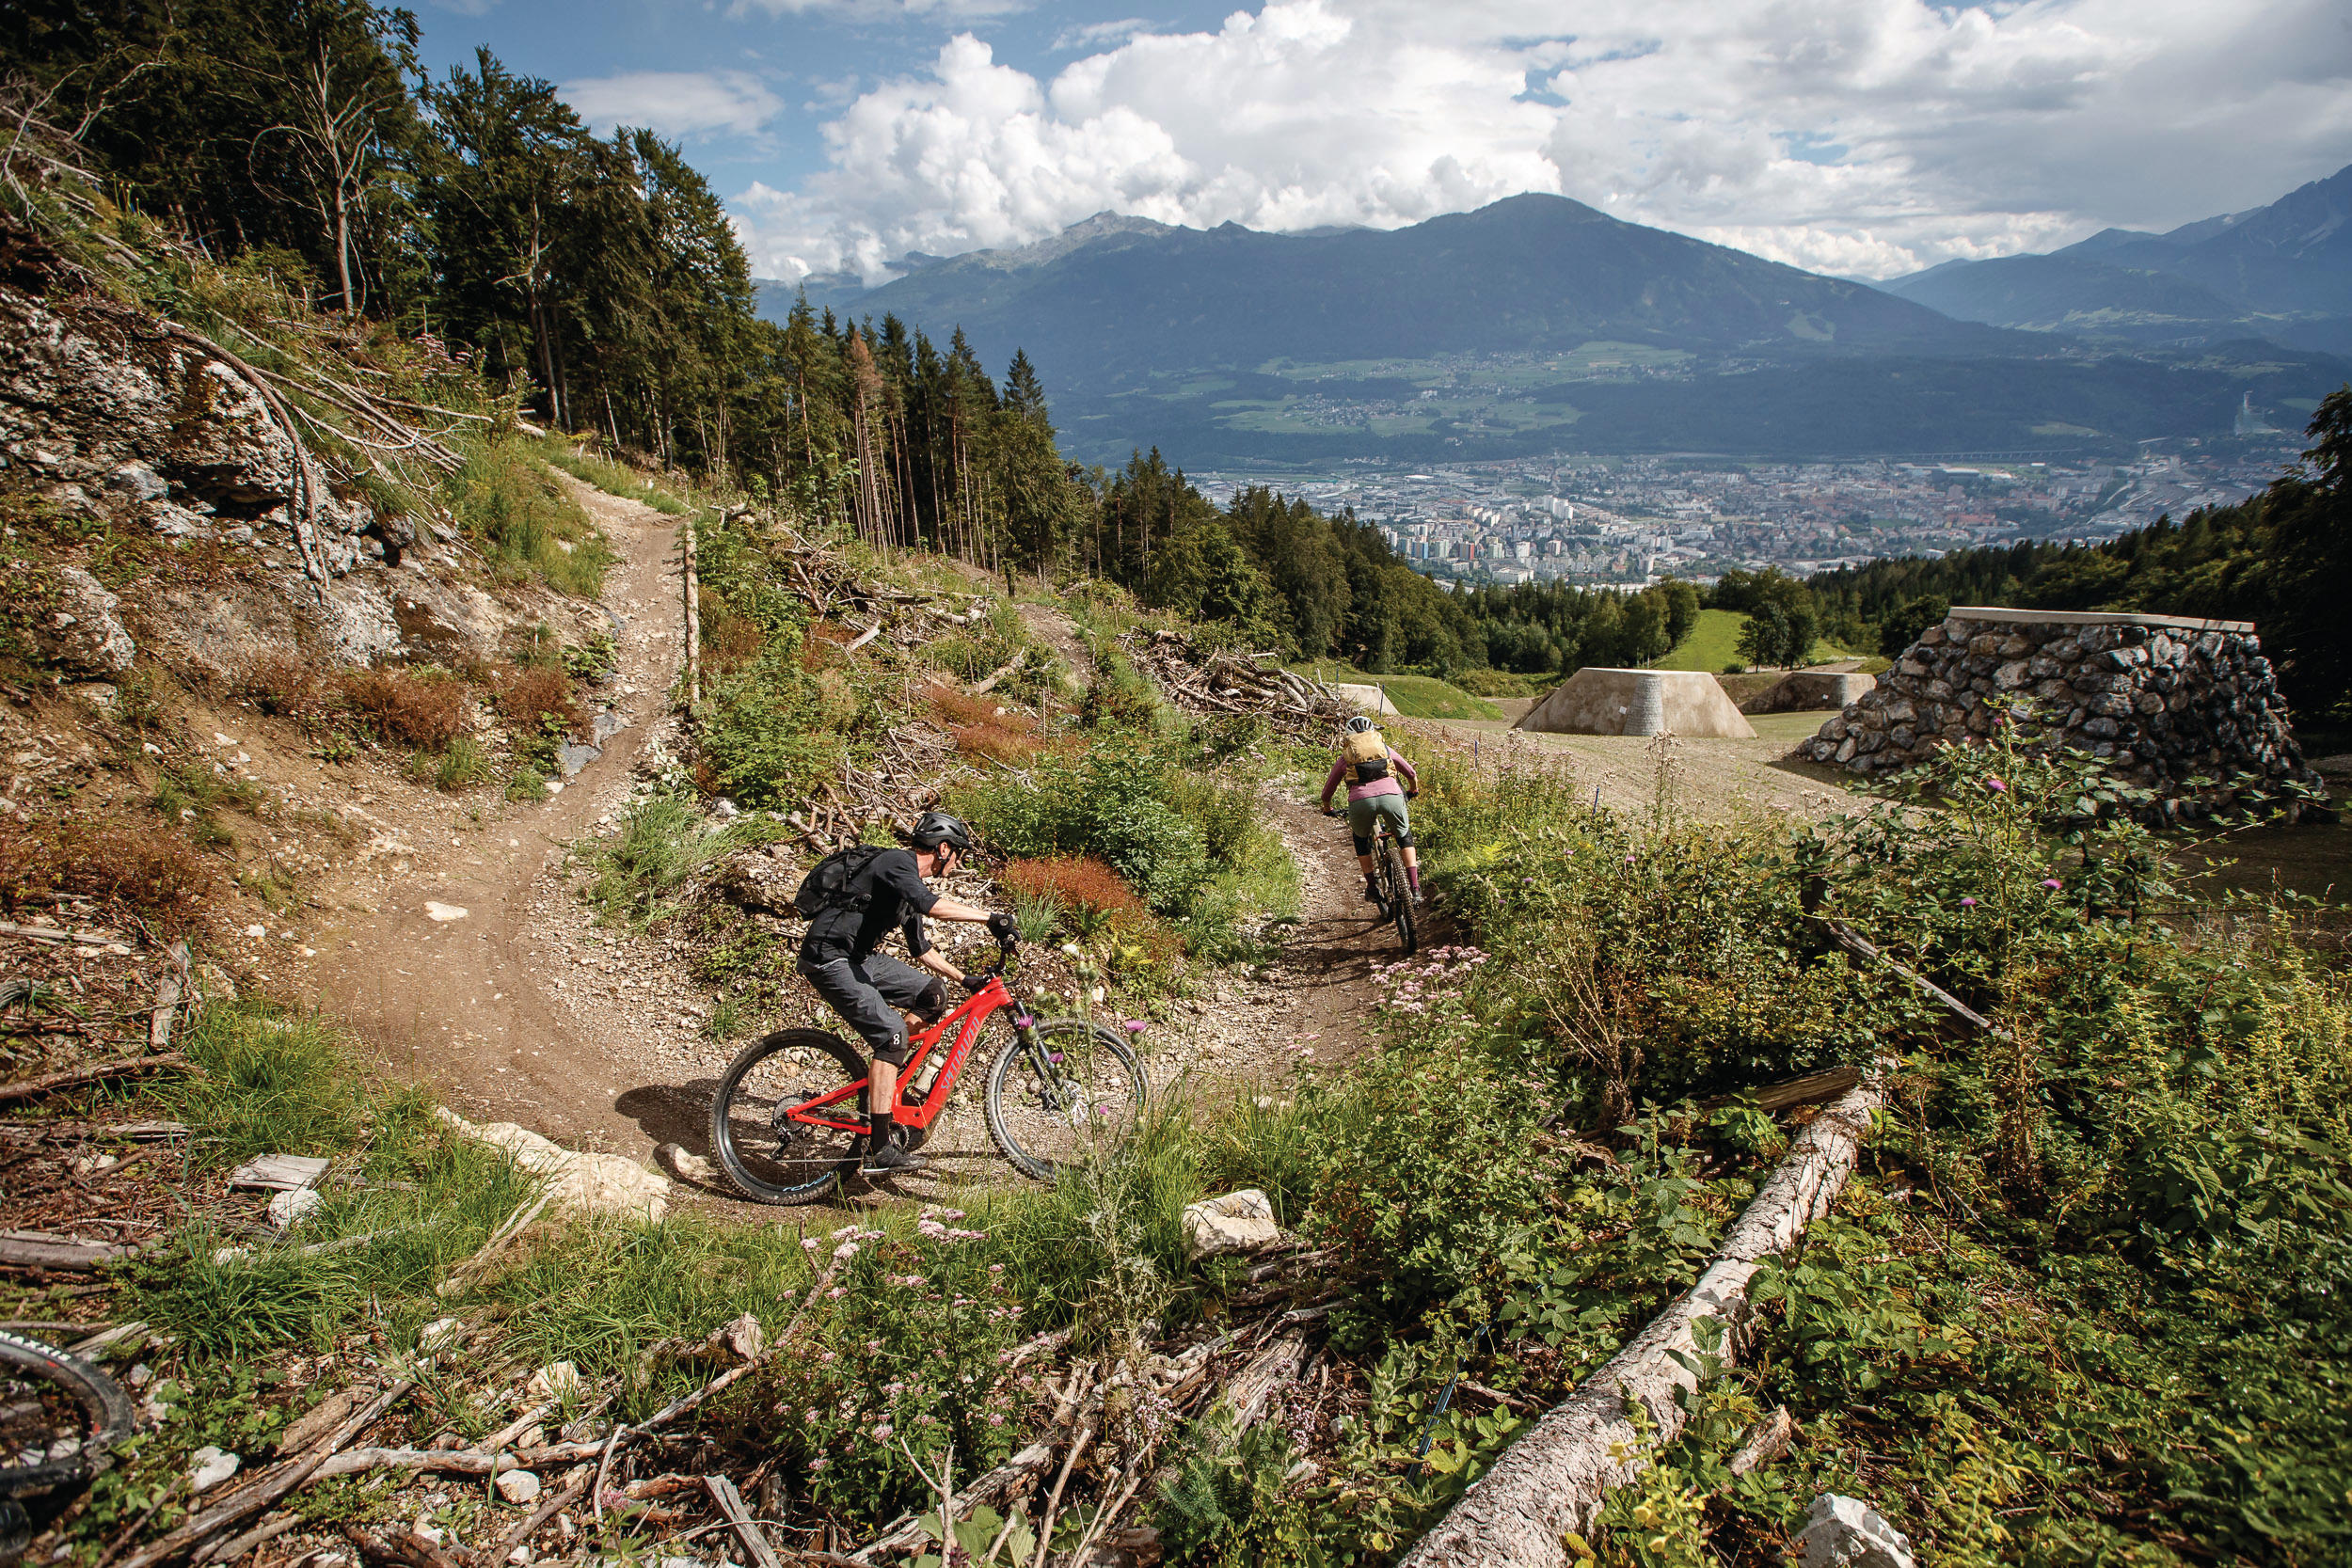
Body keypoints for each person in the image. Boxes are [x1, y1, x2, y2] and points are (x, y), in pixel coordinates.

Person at [796, 810, 1018, 1175]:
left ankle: (892, 1076)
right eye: (959, 855)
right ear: (944, 848)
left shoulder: (905, 884)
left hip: (861, 958)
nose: (958, 863)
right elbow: (934, 908)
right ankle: (880, 1146)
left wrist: (965, 980)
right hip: (829, 958)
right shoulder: (898, 863)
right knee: (892, 1035)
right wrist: (991, 917)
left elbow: (922, 949)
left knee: (933, 994)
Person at [1320, 714, 1422, 906]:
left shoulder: (1345, 757)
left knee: (1360, 841)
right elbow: (1410, 772)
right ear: (1373, 732)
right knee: (1405, 838)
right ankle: (1415, 888)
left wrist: (1328, 807)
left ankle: (1372, 888)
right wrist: (1412, 789)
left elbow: (1328, 790)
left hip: (1361, 802)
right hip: (1392, 797)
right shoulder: (1385, 749)